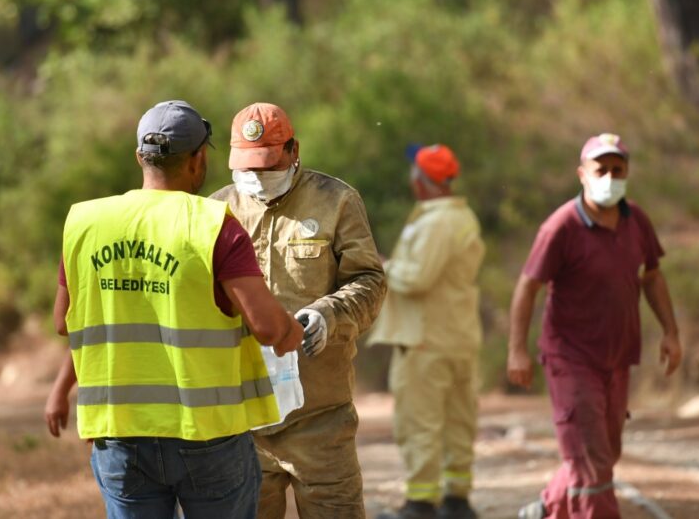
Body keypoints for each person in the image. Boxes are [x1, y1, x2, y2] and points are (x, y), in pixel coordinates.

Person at [46, 100, 305, 519]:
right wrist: (294, 330)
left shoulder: (85, 223)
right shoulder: (213, 224)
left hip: (120, 435)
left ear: (139, 157)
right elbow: (269, 328)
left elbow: (63, 322)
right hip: (207, 437)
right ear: (199, 158)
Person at [210, 102, 387, 519]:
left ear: (293, 151)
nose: (257, 178)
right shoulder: (216, 211)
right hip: (242, 420)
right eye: (247, 168)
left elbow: (370, 281)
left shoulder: (337, 201)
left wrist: (330, 315)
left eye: (268, 166)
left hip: (321, 418)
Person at [507, 133, 683, 519]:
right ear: (582, 174)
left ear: (627, 173)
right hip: (570, 357)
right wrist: (517, 349)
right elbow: (528, 286)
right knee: (593, 458)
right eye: (600, 169)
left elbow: (652, 276)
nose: (609, 176)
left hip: (617, 357)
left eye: (617, 169)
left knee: (603, 450)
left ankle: (549, 506)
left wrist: (670, 331)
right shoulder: (561, 227)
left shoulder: (635, 220)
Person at [368, 144, 486, 519]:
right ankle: (456, 499)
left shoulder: (435, 222)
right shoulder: (462, 216)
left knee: (420, 423)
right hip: (458, 336)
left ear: (422, 180)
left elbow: (417, 277)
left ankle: (420, 505)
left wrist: (383, 266)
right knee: (458, 421)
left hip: (424, 340)